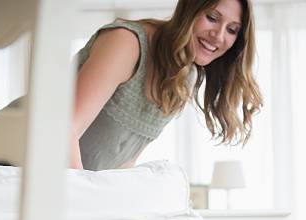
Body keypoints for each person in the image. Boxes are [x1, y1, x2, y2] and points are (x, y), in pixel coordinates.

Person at [71, 0, 263, 170]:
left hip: (85, 195)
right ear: (189, 10)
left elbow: (123, 160)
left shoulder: (184, 78)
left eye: (232, 30)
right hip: (51, 183)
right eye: (212, 17)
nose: (219, 36)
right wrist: (87, 202)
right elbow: (65, 133)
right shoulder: (126, 42)